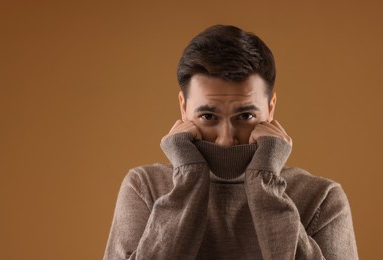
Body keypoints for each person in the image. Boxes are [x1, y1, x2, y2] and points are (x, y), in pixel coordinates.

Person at [104, 25, 358, 259]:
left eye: (245, 116)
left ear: (271, 108)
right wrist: (189, 178)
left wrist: (266, 183)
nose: (226, 140)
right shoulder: (144, 187)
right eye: (208, 116)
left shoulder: (321, 198)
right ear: (183, 108)